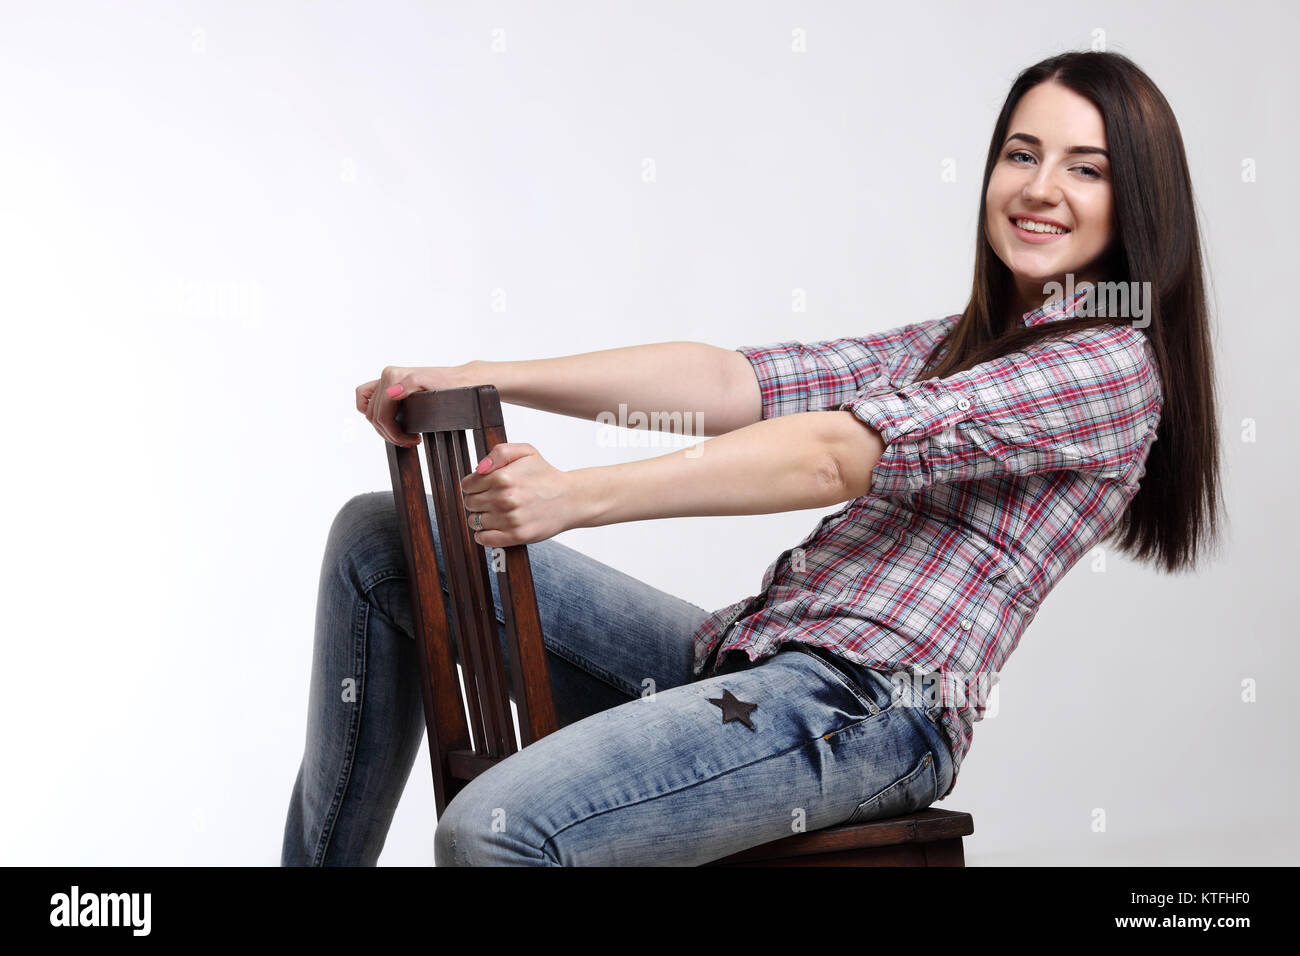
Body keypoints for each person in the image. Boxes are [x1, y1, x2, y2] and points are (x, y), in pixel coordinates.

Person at [280, 50, 1222, 866]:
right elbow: (732, 384)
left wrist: (577, 497)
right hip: (745, 659)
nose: (1038, 187)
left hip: (866, 708)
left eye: (1084, 168)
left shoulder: (1108, 363)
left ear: (1137, 198)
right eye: (1021, 153)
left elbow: (832, 456)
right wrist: (486, 372)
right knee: (385, 541)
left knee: (496, 830)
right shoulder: (967, 345)